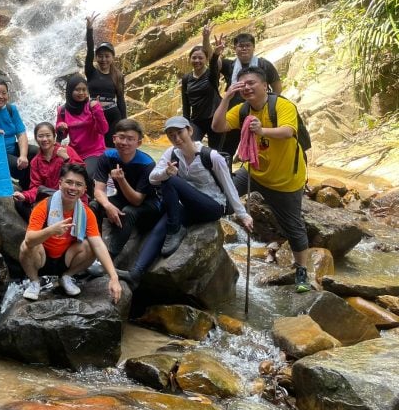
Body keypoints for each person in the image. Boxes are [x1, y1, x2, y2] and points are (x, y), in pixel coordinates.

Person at [211, 66, 312, 292]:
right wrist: (226, 97)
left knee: (293, 226)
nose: (246, 88)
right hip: (254, 170)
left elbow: (288, 131)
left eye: (251, 83)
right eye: (242, 85)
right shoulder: (243, 110)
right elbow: (217, 126)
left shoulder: (282, 105)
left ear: (265, 85)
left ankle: (302, 271)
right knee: (222, 199)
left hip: (285, 180)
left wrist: (262, 131)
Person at [122, 116, 254, 287]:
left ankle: (175, 228)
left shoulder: (211, 156)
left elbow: (229, 187)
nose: (176, 138)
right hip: (188, 207)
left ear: (190, 131)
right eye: (171, 135)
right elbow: (153, 178)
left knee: (170, 181)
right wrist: (166, 172)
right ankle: (136, 273)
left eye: (179, 133)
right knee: (161, 227)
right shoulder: (171, 153)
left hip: (212, 206)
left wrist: (243, 215)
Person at [20, 163, 122, 303]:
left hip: (66, 259)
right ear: (60, 183)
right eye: (69, 182)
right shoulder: (44, 206)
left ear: (85, 189)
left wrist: (114, 277)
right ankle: (34, 282)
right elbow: (29, 240)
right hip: (41, 258)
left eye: (78, 184)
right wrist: (51, 230)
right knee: (26, 246)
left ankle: (66, 277)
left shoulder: (86, 212)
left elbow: (98, 245)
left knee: (91, 246)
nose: (73, 188)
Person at [92, 118, 161, 258]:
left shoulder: (147, 164)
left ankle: (110, 256)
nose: (124, 142)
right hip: (123, 198)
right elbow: (98, 190)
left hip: (149, 205)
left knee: (128, 211)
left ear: (139, 143)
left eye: (130, 139)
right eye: (121, 137)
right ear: (114, 138)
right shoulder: (107, 157)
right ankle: (94, 247)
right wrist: (108, 206)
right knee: (95, 205)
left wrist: (121, 180)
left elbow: (137, 201)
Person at [213, 31, 282, 156]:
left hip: (259, 113)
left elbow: (277, 86)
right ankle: (225, 174)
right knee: (226, 150)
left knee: (261, 148)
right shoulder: (230, 65)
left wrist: (271, 104)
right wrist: (215, 52)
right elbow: (214, 64)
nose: (244, 48)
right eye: (241, 46)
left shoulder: (264, 65)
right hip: (235, 114)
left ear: (253, 47)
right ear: (235, 48)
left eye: (247, 45)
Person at [12, 122, 83, 221]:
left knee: (43, 193)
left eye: (48, 135)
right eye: (40, 136)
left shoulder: (67, 150)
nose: (44, 139)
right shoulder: (35, 162)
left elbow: (82, 175)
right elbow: (35, 187)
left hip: (71, 196)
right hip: (51, 199)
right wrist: (25, 196)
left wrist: (67, 159)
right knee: (22, 202)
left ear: (54, 137)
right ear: (36, 139)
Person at [55, 74, 109, 180]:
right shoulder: (62, 110)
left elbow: (103, 130)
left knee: (84, 175)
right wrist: (60, 127)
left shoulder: (92, 106)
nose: (81, 93)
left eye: (84, 89)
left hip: (95, 151)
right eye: (77, 89)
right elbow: (63, 135)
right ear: (70, 91)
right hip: (74, 152)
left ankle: (89, 196)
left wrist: (97, 109)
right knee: (62, 175)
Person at [84, 13, 126, 147]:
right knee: (93, 146)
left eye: (107, 56)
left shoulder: (118, 75)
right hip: (93, 115)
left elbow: (120, 99)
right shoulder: (91, 72)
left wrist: (124, 123)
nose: (103, 59)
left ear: (112, 57)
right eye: (100, 56)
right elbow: (90, 51)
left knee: (111, 147)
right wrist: (89, 29)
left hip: (113, 115)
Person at [181, 26, 222, 148]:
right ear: (190, 59)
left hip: (215, 119)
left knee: (215, 153)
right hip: (197, 120)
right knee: (190, 147)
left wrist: (215, 54)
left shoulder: (211, 75)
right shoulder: (186, 78)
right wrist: (186, 123)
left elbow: (215, 66)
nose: (197, 60)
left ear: (205, 60)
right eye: (194, 57)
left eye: (200, 58)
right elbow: (186, 104)